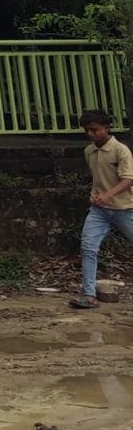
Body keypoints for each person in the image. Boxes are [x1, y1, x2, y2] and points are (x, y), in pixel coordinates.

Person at [72, 108, 133, 311]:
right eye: (87, 130)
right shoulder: (89, 151)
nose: (91, 134)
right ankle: (89, 295)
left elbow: (128, 179)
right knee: (88, 248)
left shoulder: (120, 151)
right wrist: (98, 196)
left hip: (125, 209)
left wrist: (108, 194)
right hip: (99, 210)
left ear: (106, 128)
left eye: (95, 130)